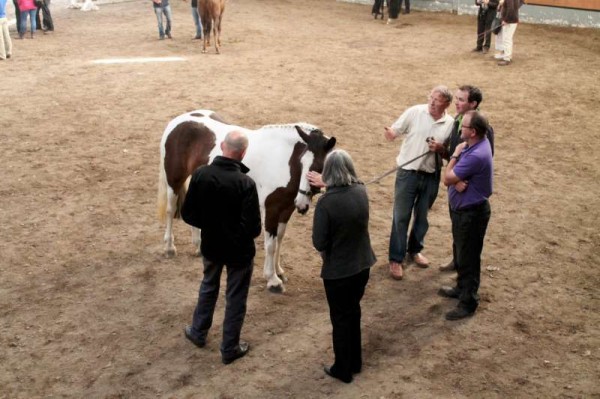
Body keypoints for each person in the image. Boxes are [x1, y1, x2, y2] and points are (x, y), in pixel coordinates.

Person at [181, 130, 262, 365]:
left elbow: (188, 214)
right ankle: (230, 347)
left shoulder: (201, 175)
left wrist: (211, 225)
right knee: (235, 297)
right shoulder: (246, 183)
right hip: (239, 252)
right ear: (243, 153)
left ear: (223, 147)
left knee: (208, 286)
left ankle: (198, 331)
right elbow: (253, 228)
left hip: (212, 245)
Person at [312, 150, 376, 384]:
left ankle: (343, 368)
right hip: (362, 264)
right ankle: (355, 361)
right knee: (353, 311)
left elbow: (319, 241)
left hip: (339, 271)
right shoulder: (361, 190)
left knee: (340, 318)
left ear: (327, 173)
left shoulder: (326, 203)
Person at [385, 85, 454, 280]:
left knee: (422, 216)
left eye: (437, 100)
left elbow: (452, 154)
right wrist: (391, 133)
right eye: (431, 97)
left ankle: (415, 250)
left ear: (446, 104)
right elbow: (396, 130)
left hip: (431, 174)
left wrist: (441, 149)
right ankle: (396, 258)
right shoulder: (415, 112)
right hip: (408, 173)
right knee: (401, 217)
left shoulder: (450, 123)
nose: (432, 102)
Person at [429, 85, 495, 273]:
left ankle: (462, 266)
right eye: (456, 98)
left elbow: (481, 159)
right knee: (458, 228)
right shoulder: (458, 121)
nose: (456, 102)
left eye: (461, 100)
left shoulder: (482, 128)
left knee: (465, 233)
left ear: (473, 104)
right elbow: (453, 152)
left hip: (465, 190)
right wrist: (442, 149)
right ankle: (457, 260)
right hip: (456, 185)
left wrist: (456, 180)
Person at [439, 110, 493, 320]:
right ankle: (461, 288)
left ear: (474, 132)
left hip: (470, 214)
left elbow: (447, 178)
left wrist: (454, 155)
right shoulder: (476, 145)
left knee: (469, 259)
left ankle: (468, 302)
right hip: (465, 210)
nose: (461, 128)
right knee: (463, 254)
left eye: (465, 126)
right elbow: (453, 180)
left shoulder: (475, 153)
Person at [496, 0, 524, 66]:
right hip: (512, 20)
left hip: (510, 21)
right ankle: (506, 55)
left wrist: (506, 20)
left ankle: (507, 58)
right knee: (507, 39)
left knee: (507, 39)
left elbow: (511, 9)